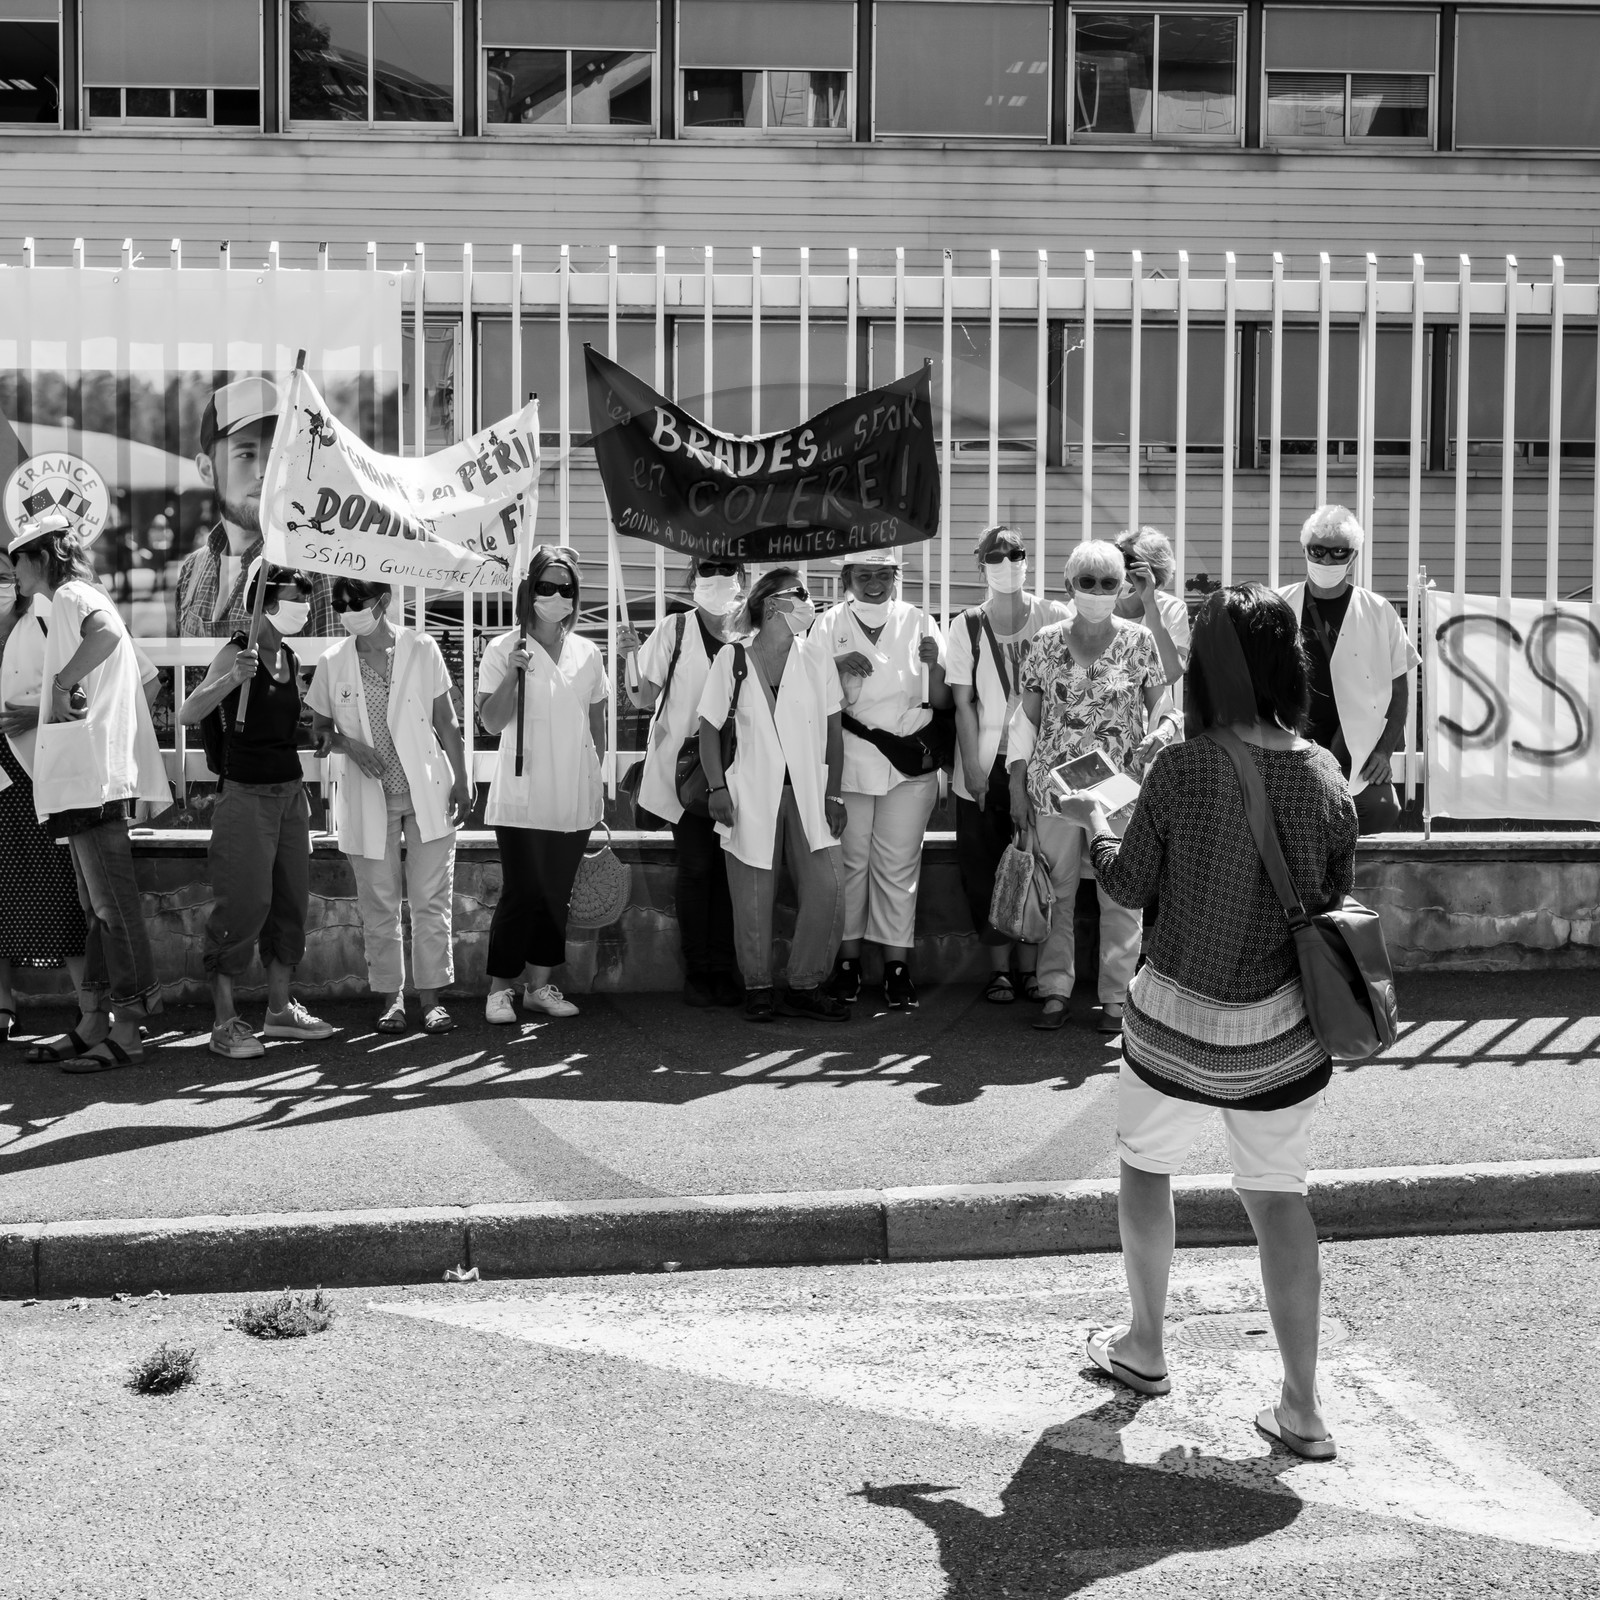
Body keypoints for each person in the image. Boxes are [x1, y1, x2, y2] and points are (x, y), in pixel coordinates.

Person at [1053, 583, 1358, 1463]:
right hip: (1282, 1041)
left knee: (1147, 1168)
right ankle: (1302, 1407)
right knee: (1279, 1202)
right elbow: (1331, 902)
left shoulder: (1183, 768)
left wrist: (1098, 823)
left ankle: (1145, 1348)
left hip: (1174, 1027)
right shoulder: (1324, 774)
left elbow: (1123, 887)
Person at [11, 513, 171, 1072]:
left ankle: (127, 1028)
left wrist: (60, 683)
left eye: (19, 559)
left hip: (93, 777)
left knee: (110, 906)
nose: (14, 572)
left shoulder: (71, 595)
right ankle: (95, 1020)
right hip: (87, 773)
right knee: (95, 906)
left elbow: (105, 633)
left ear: (39, 557)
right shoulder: (72, 596)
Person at [1009, 539, 1178, 1034]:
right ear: (1070, 586)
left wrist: (1163, 732)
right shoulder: (1043, 642)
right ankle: (1055, 989)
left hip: (1121, 791)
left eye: (1109, 582)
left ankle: (1117, 999)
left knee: (1121, 896)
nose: (1099, 591)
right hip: (1054, 790)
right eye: (1088, 582)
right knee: (1057, 894)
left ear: (1122, 585)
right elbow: (1025, 722)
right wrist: (1017, 787)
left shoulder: (1140, 640)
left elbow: (1163, 708)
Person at [180, 560, 335, 1060]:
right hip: (244, 797)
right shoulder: (234, 653)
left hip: (290, 796)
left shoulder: (288, 656)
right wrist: (230, 680)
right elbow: (188, 712)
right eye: (295, 596)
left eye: (306, 596)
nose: (303, 606)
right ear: (263, 601)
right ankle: (224, 1022)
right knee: (244, 904)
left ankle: (279, 1009)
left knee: (290, 905)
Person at [307, 579, 472, 1035]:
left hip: (426, 792)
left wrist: (461, 780)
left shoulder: (421, 648)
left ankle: (432, 998)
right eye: (339, 604)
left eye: (353, 602)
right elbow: (318, 729)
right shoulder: (332, 662)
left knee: (429, 900)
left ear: (382, 602)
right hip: (368, 794)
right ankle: (391, 999)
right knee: (378, 902)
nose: (345, 611)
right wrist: (348, 745)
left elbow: (447, 721)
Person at [696, 566, 849, 1024]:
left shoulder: (817, 656)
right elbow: (708, 728)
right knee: (753, 897)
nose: (809, 600)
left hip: (809, 793)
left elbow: (833, 733)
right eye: (799, 593)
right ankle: (759, 987)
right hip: (750, 794)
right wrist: (717, 786)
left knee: (828, 888)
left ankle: (805, 983)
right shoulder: (733, 658)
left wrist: (835, 794)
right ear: (770, 604)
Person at [476, 545, 607, 1023]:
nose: (556, 596)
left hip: (573, 791)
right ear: (529, 590)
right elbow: (490, 722)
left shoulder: (587, 652)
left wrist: (598, 781)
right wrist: (513, 672)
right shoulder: (502, 648)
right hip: (523, 790)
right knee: (522, 892)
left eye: (565, 588)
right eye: (546, 586)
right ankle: (499, 989)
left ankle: (540, 985)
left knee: (556, 894)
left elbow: (598, 723)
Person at [820, 549, 949, 1010]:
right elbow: (809, 694)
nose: (873, 583)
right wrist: (835, 665)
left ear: (896, 578)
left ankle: (897, 966)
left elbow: (941, 699)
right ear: (846, 581)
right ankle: (848, 962)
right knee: (850, 866)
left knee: (898, 866)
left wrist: (935, 665)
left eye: (882, 574)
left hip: (907, 763)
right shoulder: (827, 624)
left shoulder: (920, 621)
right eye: (863, 575)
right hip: (850, 761)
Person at [617, 556, 746, 1008]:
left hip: (744, 772)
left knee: (731, 872)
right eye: (707, 572)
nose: (717, 579)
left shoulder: (752, 629)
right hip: (687, 775)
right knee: (696, 869)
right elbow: (644, 697)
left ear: (741, 580)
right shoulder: (675, 629)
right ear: (693, 580)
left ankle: (726, 968)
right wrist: (630, 656)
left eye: (727, 571)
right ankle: (700, 970)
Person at [946, 525, 1066, 1004]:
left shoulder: (1053, 614)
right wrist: (974, 770)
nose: (1006, 563)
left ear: (1027, 559)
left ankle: (1032, 968)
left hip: (1040, 764)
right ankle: (999, 970)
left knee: (1037, 861)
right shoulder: (967, 625)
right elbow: (962, 702)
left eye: (1015, 553)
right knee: (986, 868)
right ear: (980, 566)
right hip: (984, 763)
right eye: (994, 556)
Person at [1278, 505, 1418, 835]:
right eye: (1318, 551)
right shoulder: (1279, 605)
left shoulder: (1379, 611)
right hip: (1289, 742)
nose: (1327, 561)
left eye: (1338, 552)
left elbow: (1400, 692)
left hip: (1355, 743)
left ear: (1353, 557)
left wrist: (1384, 752)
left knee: (1381, 809)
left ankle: (1315, 855)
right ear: (1304, 550)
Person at [177, 377, 336, 640]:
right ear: (207, 470)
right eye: (245, 454)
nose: (264, 472)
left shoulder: (314, 568)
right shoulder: (192, 569)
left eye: (276, 454)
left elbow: (331, 678)